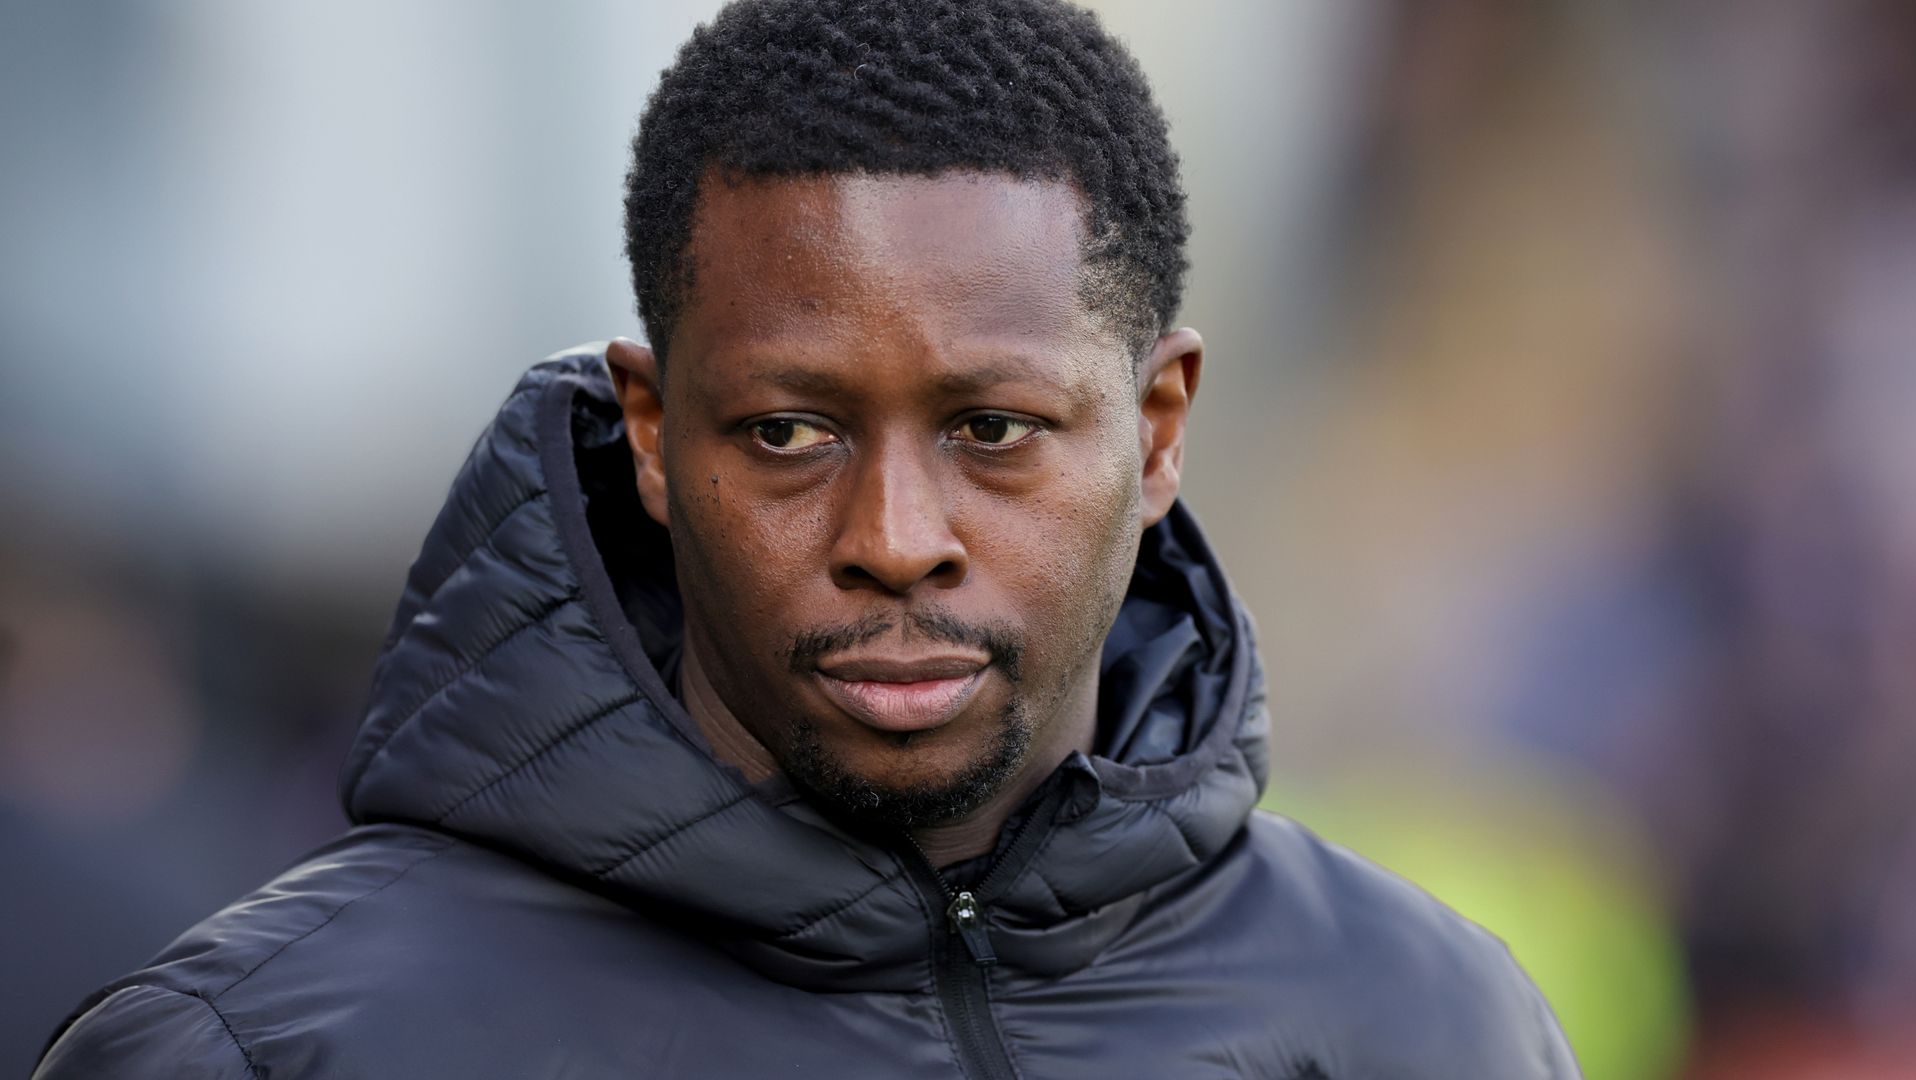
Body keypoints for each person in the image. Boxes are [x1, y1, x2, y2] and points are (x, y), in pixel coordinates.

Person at [35, 0, 1579, 1076]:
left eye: (995, 429)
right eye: (789, 433)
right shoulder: (269, 1050)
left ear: (1159, 428)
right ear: (652, 433)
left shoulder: (1430, 1024)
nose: (895, 539)